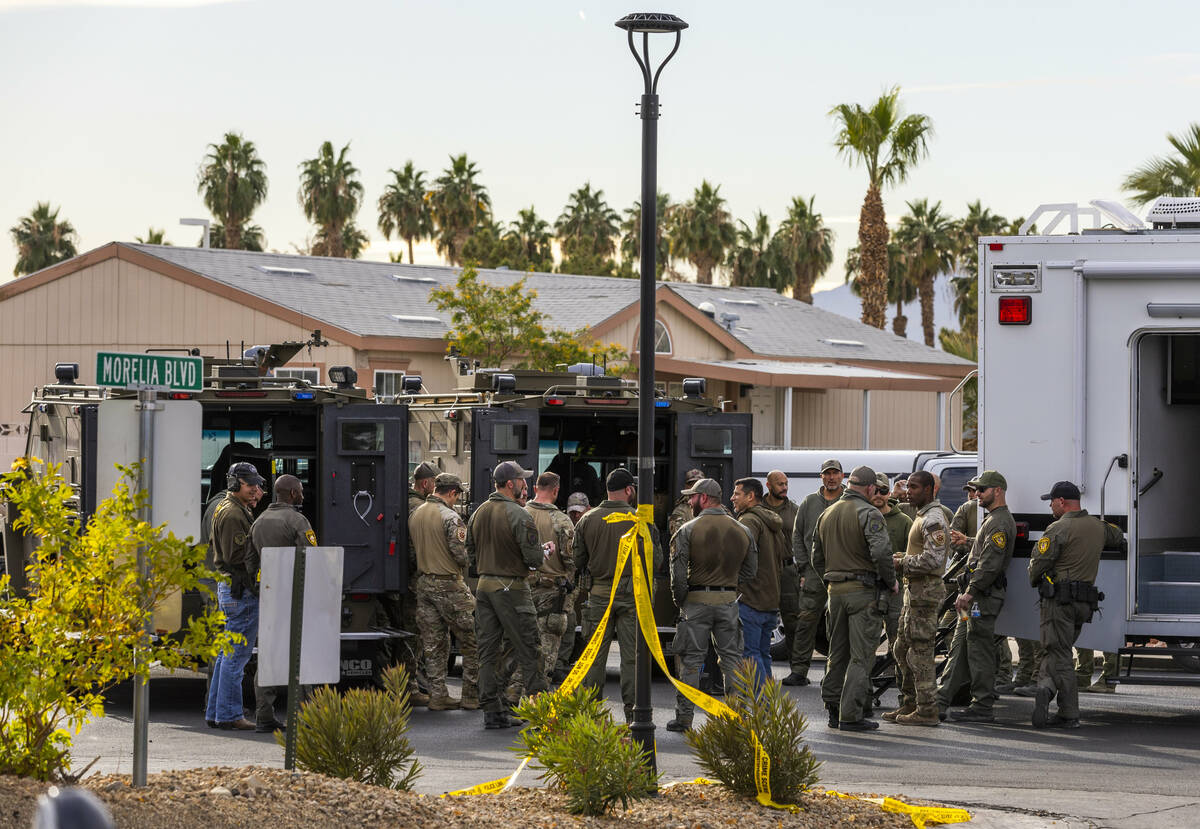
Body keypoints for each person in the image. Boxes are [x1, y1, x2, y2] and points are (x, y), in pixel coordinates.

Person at [1029, 481, 1123, 729]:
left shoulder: (1058, 528)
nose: (1050, 505)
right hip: (1085, 604)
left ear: (1062, 502)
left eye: (1051, 501)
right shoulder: (1098, 527)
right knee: (1059, 649)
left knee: (1059, 653)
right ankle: (1045, 688)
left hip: (1059, 602)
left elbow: (1038, 565)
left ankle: (1068, 713)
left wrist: (1033, 576)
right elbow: (1118, 536)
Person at [667, 478, 756, 732]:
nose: (689, 501)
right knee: (731, 660)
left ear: (703, 498)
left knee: (691, 661)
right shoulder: (742, 530)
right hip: (728, 602)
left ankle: (684, 718)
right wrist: (730, 587)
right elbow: (751, 571)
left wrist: (681, 600)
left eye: (692, 497)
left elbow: (678, 575)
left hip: (696, 602)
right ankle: (737, 717)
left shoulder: (687, 530)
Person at [812, 465, 896, 732]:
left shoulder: (827, 512)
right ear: (870, 488)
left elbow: (816, 557)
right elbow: (881, 552)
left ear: (849, 484)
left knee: (837, 653)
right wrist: (890, 580)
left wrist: (831, 578)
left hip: (834, 592)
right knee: (861, 657)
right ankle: (850, 714)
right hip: (863, 591)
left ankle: (833, 708)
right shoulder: (869, 513)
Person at [574, 468, 663, 722]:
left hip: (599, 595)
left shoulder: (587, 519)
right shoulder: (642, 520)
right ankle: (634, 717)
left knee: (592, 659)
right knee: (633, 659)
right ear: (628, 490)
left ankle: (591, 718)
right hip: (633, 596)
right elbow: (655, 562)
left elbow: (577, 559)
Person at [467, 461, 547, 729]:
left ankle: (492, 710)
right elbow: (534, 558)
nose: (525, 484)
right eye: (522, 480)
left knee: (488, 651)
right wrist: (543, 553)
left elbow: (469, 551)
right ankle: (541, 713)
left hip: (484, 586)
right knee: (530, 648)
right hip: (512, 588)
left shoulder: (479, 512)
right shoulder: (519, 514)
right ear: (511, 484)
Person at [936, 470, 1016, 723]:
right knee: (960, 646)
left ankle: (982, 705)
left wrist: (970, 593)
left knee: (978, 650)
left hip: (980, 598)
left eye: (982, 490)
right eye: (976, 490)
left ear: (998, 491)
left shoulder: (1000, 522)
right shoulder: (992, 519)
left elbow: (990, 565)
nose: (977, 494)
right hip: (970, 598)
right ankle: (940, 701)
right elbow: (982, 550)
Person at [249, 474, 316, 733]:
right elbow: (311, 559)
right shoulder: (298, 520)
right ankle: (304, 716)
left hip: (268, 596)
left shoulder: (258, 522)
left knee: (268, 656)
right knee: (300, 656)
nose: (302, 495)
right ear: (291, 494)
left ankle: (264, 716)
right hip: (294, 596)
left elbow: (249, 560)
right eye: (299, 491)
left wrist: (258, 587)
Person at [410, 472, 480, 711]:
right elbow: (461, 556)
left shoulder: (416, 514)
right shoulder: (450, 517)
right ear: (452, 493)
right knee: (473, 640)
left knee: (433, 644)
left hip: (424, 585)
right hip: (449, 586)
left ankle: (438, 695)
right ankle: (471, 695)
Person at [886, 471, 950, 726]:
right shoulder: (922, 516)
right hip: (913, 592)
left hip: (925, 594)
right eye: (908, 487)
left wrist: (901, 562)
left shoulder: (933, 519)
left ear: (929, 489)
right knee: (901, 648)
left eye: (914, 487)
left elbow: (934, 559)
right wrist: (904, 556)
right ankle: (910, 703)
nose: (908, 491)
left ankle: (927, 710)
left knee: (920, 653)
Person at [205, 461, 265, 730]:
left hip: (232, 588)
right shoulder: (232, 514)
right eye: (250, 485)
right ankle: (229, 714)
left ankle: (216, 712)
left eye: (257, 485)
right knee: (236, 657)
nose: (256, 490)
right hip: (239, 590)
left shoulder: (233, 509)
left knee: (226, 654)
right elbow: (237, 556)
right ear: (234, 484)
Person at [782, 458, 845, 687]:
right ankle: (799, 670)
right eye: (827, 474)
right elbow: (797, 536)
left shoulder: (849, 501)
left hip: (842, 571)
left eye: (835, 473)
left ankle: (837, 671)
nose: (831, 477)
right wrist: (803, 567)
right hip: (812, 574)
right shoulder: (809, 503)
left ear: (842, 476)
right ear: (821, 477)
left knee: (839, 623)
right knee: (806, 621)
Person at [523, 471, 576, 687]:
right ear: (556, 491)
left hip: (521, 591)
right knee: (546, 655)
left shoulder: (519, 514)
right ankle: (536, 704)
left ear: (535, 488)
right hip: (551, 597)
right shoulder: (563, 522)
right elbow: (571, 561)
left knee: (520, 648)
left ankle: (512, 700)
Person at [732, 477, 784, 686]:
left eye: (737, 494)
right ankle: (768, 707)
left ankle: (760, 708)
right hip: (769, 599)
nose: (732, 498)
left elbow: (739, 556)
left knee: (750, 656)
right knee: (763, 655)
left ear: (750, 496)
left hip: (751, 599)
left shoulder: (749, 521)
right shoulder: (771, 521)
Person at [872, 472, 912, 709]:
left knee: (900, 645)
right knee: (866, 644)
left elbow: (914, 553)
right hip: (870, 589)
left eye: (883, 491)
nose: (879, 496)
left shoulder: (904, 521)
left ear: (890, 493)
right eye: (875, 491)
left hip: (896, 590)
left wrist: (900, 559)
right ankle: (862, 693)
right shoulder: (863, 517)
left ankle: (905, 698)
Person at [763, 470, 800, 665]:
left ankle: (797, 668)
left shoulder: (794, 509)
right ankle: (759, 668)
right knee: (759, 616)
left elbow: (802, 540)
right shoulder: (756, 507)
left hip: (787, 570)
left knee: (792, 618)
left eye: (786, 483)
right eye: (779, 484)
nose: (784, 487)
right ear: (769, 485)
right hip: (762, 570)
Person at [554, 491, 591, 679]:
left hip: (578, 584)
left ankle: (561, 662)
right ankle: (558, 664)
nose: (575, 515)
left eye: (579, 512)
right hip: (565, 583)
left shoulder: (589, 526)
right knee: (567, 623)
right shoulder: (564, 526)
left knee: (574, 623)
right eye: (572, 512)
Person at [669, 468, 704, 538]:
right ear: (686, 486)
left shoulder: (714, 505)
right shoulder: (681, 510)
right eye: (691, 484)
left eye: (698, 484)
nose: (694, 487)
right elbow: (678, 535)